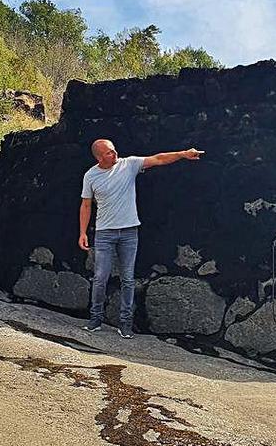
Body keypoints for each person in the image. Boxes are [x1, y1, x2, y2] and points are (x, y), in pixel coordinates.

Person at [79, 139, 204, 338]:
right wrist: (83, 233)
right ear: (99, 157)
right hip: (105, 233)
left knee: (128, 278)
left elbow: (158, 159)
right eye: (109, 153)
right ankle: (95, 319)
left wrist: (183, 154)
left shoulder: (128, 165)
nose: (114, 154)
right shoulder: (91, 176)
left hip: (129, 231)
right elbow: (86, 205)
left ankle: (125, 323)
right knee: (100, 277)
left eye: (114, 150)